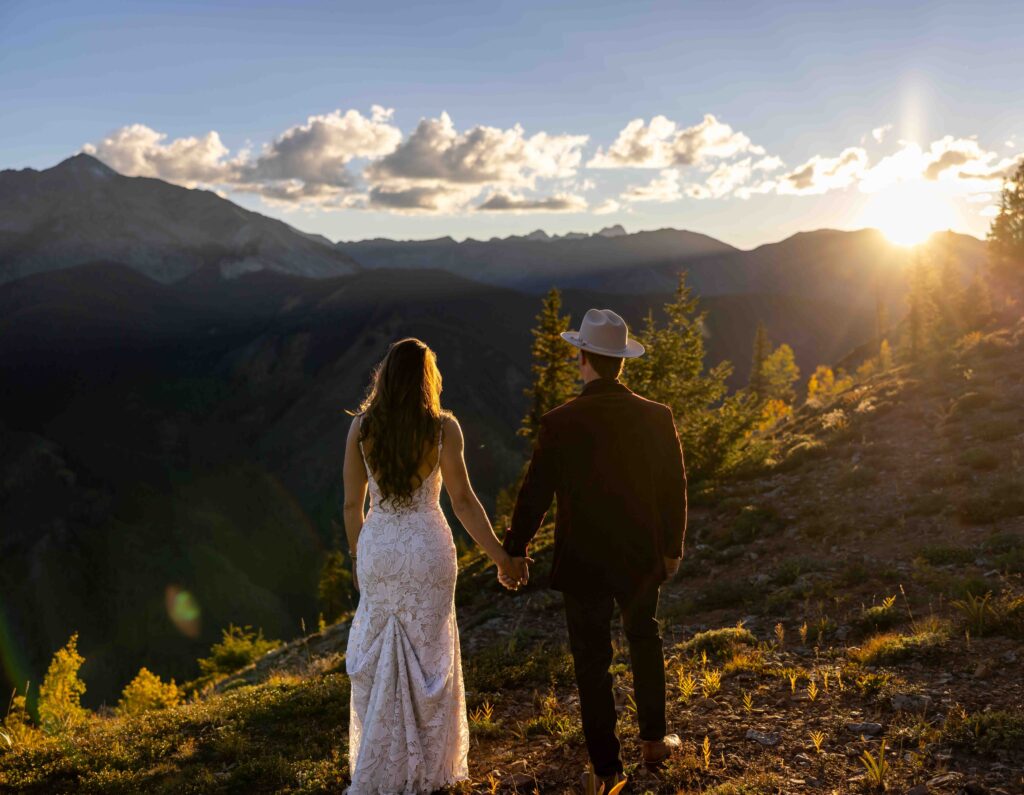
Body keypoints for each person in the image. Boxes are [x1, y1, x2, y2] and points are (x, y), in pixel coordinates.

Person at [500, 308, 688, 789]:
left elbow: (534, 493)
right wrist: (672, 548)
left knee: (592, 661)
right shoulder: (656, 416)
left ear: (583, 358)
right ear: (620, 363)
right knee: (644, 639)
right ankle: (653, 741)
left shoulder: (560, 422)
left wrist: (515, 549)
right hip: (640, 555)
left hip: (582, 558)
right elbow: (674, 488)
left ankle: (607, 768)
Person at [342, 337, 520, 793]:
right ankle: (428, 767)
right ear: (428, 379)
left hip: (379, 546)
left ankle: (382, 762)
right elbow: (462, 501)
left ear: (385, 377)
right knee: (430, 653)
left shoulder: (361, 428)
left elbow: (350, 506)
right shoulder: (443, 429)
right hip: (427, 547)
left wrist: (362, 557)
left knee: (380, 651)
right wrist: (501, 556)